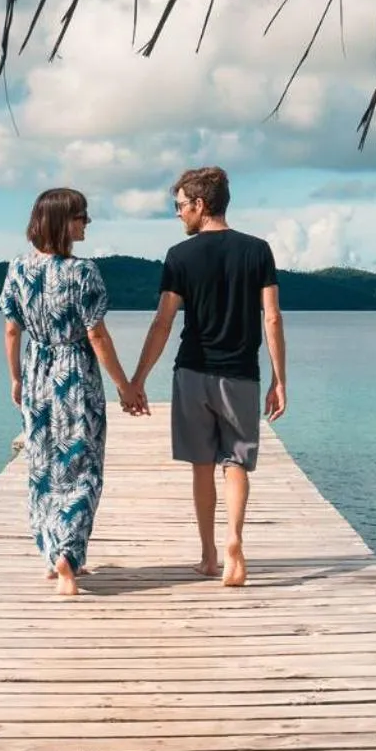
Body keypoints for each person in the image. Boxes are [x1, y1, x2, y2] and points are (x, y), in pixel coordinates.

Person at [129, 166, 286, 587]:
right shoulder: (258, 251)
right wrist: (280, 380)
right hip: (241, 374)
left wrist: (138, 378)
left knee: (201, 465)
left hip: (193, 372)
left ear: (200, 204)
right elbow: (271, 318)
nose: (178, 214)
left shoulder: (180, 257)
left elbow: (163, 322)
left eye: (180, 206)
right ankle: (235, 540)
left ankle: (209, 556)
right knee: (236, 463)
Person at [0, 188, 145, 596]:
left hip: (36, 372)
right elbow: (96, 335)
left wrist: (15, 378)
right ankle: (67, 555)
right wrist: (126, 386)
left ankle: (51, 552)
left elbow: (12, 329)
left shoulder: (17, 270)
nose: (87, 223)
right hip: (75, 372)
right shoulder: (83, 273)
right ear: (62, 221)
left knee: (43, 465)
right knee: (83, 467)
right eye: (81, 216)